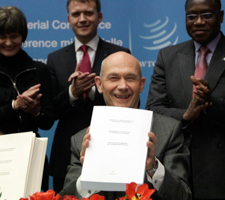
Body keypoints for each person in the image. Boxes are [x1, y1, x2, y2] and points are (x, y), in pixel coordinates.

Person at [60, 52, 191, 199]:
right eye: (113, 78)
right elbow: (67, 196)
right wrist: (88, 175)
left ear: (141, 84)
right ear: (99, 84)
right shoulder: (81, 141)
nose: (123, 86)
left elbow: (184, 196)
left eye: (130, 78)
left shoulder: (169, 131)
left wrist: (153, 168)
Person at [47, 0, 130, 192]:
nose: (82, 19)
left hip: (112, 150)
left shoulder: (119, 54)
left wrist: (93, 91)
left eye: (88, 13)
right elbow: (50, 112)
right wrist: (72, 93)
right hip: (66, 155)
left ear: (99, 17)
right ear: (68, 20)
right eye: (76, 14)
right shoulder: (55, 58)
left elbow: (129, 104)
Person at [145, 0, 225, 199]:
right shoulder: (168, 56)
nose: (198, 22)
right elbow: (154, 108)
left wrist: (210, 102)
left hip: (219, 167)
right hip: (177, 166)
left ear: (221, 17)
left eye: (207, 15)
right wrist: (185, 115)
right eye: (191, 16)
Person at [0, 6, 54, 190]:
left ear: (23, 36)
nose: (8, 42)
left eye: (14, 36)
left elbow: (47, 121)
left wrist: (35, 111)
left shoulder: (39, 70)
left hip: (32, 152)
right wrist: (14, 106)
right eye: (2, 36)